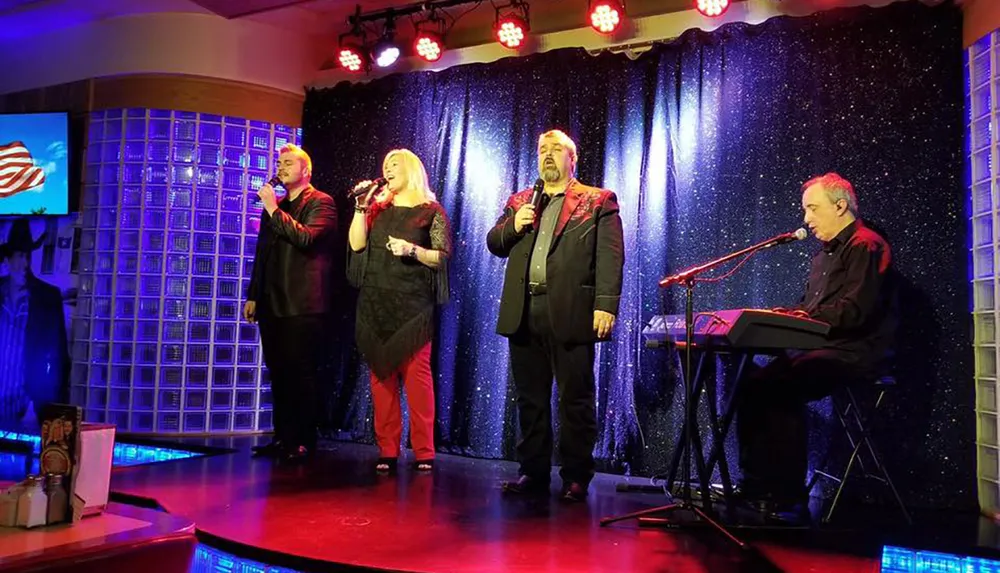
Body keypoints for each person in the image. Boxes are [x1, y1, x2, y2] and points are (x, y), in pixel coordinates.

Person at [736, 172, 896, 522]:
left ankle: (784, 494)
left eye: (812, 209)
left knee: (780, 385)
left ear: (840, 206)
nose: (806, 219)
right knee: (749, 385)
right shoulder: (822, 256)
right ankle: (756, 485)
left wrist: (801, 319)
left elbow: (854, 312)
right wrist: (785, 315)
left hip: (854, 351)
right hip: (819, 347)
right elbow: (812, 307)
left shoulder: (866, 246)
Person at [486, 130, 624, 502]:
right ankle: (532, 471)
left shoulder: (598, 200)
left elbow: (611, 258)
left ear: (571, 158)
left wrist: (605, 304)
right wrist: (514, 225)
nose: (547, 155)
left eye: (556, 150)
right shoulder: (520, 201)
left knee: (575, 398)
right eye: (542, 150)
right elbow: (494, 243)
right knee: (530, 399)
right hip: (524, 311)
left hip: (572, 311)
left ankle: (576, 476)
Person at [347, 149, 451, 474]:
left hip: (413, 306)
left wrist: (413, 251)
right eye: (384, 166)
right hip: (376, 303)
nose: (387, 170)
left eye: (394, 165)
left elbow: (442, 256)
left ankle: (424, 451)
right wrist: (360, 206)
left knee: (418, 381)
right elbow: (356, 245)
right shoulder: (376, 209)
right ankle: (387, 450)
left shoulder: (430, 211)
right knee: (381, 379)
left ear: (410, 169)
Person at [244, 144, 337, 462]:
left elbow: (306, 239)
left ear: (305, 171)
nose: (280, 168)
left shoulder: (321, 203)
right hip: (271, 301)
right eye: (279, 163)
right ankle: (281, 437)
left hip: (302, 303)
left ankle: (302, 440)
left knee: (301, 373)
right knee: (279, 372)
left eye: (288, 163)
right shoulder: (277, 205)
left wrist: (273, 210)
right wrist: (253, 294)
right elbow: (263, 252)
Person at [0, 218, 69, 426]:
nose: (26, 264)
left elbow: (61, 357)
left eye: (28, 256)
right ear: (8, 260)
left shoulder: (47, 297)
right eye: (21, 256)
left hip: (29, 407)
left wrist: (47, 408)